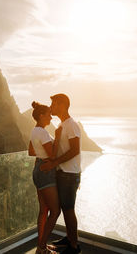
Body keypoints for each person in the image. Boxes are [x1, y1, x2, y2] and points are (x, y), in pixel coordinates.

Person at [40, 94, 82, 254]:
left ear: (63, 105)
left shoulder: (71, 125)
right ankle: (70, 238)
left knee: (69, 209)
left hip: (68, 175)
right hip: (66, 173)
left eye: (54, 104)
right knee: (66, 209)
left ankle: (74, 246)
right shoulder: (64, 125)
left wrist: (53, 163)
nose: (51, 107)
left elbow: (75, 149)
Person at [29, 101, 63, 254]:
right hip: (45, 172)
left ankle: (40, 247)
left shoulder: (35, 130)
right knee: (55, 211)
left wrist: (42, 156)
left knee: (43, 211)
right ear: (41, 116)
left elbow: (31, 151)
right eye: (49, 114)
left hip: (38, 169)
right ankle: (42, 247)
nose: (51, 117)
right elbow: (53, 154)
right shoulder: (43, 132)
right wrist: (57, 137)